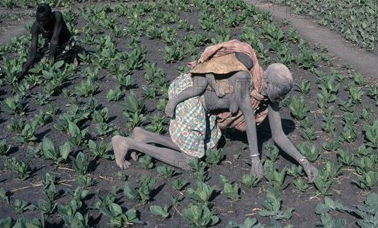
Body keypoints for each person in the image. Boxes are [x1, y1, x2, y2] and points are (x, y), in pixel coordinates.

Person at [112, 40, 318, 182]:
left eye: (283, 96)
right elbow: (247, 114)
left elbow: (279, 135)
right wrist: (255, 160)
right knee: (191, 163)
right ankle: (128, 143)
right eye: (280, 94)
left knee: (203, 149)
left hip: (206, 109)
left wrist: (304, 162)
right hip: (192, 100)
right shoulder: (245, 79)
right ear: (269, 82)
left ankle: (144, 135)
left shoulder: (268, 93)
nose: (281, 100)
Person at [16, 4, 77, 81]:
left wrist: (50, 60)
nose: (40, 23)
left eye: (43, 20)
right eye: (38, 20)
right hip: (51, 44)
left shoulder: (57, 16)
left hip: (65, 42)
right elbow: (33, 49)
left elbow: (55, 39)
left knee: (57, 60)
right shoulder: (36, 26)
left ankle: (72, 54)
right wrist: (24, 69)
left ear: (50, 16)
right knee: (36, 58)